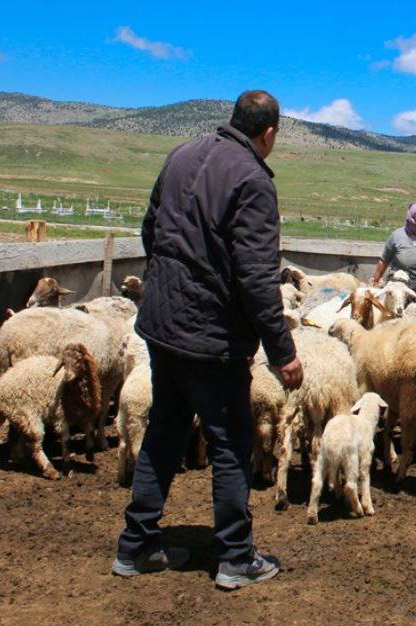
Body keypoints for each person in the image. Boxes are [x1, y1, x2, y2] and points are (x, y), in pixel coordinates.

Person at [112, 90, 304, 590]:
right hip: (210, 335)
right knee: (230, 443)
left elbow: (150, 230)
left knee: (164, 430)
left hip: (161, 323)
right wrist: (283, 352)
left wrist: (171, 281)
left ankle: (135, 545)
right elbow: (257, 277)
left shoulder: (181, 154)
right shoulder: (253, 180)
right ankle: (236, 557)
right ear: (268, 133)